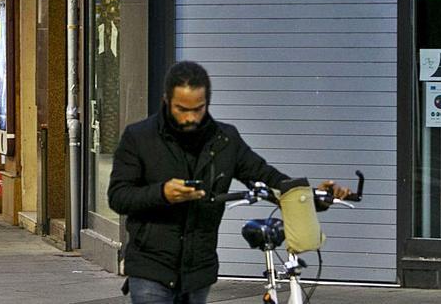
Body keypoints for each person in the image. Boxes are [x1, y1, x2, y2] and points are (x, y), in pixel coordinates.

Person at [108, 61, 350, 304]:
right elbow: (118, 197)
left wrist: (313, 196)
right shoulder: (139, 137)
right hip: (151, 269)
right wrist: (162, 193)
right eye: (182, 109)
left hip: (198, 271)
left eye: (198, 109)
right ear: (166, 100)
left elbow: (267, 178)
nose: (190, 117)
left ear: (207, 103)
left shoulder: (225, 139)